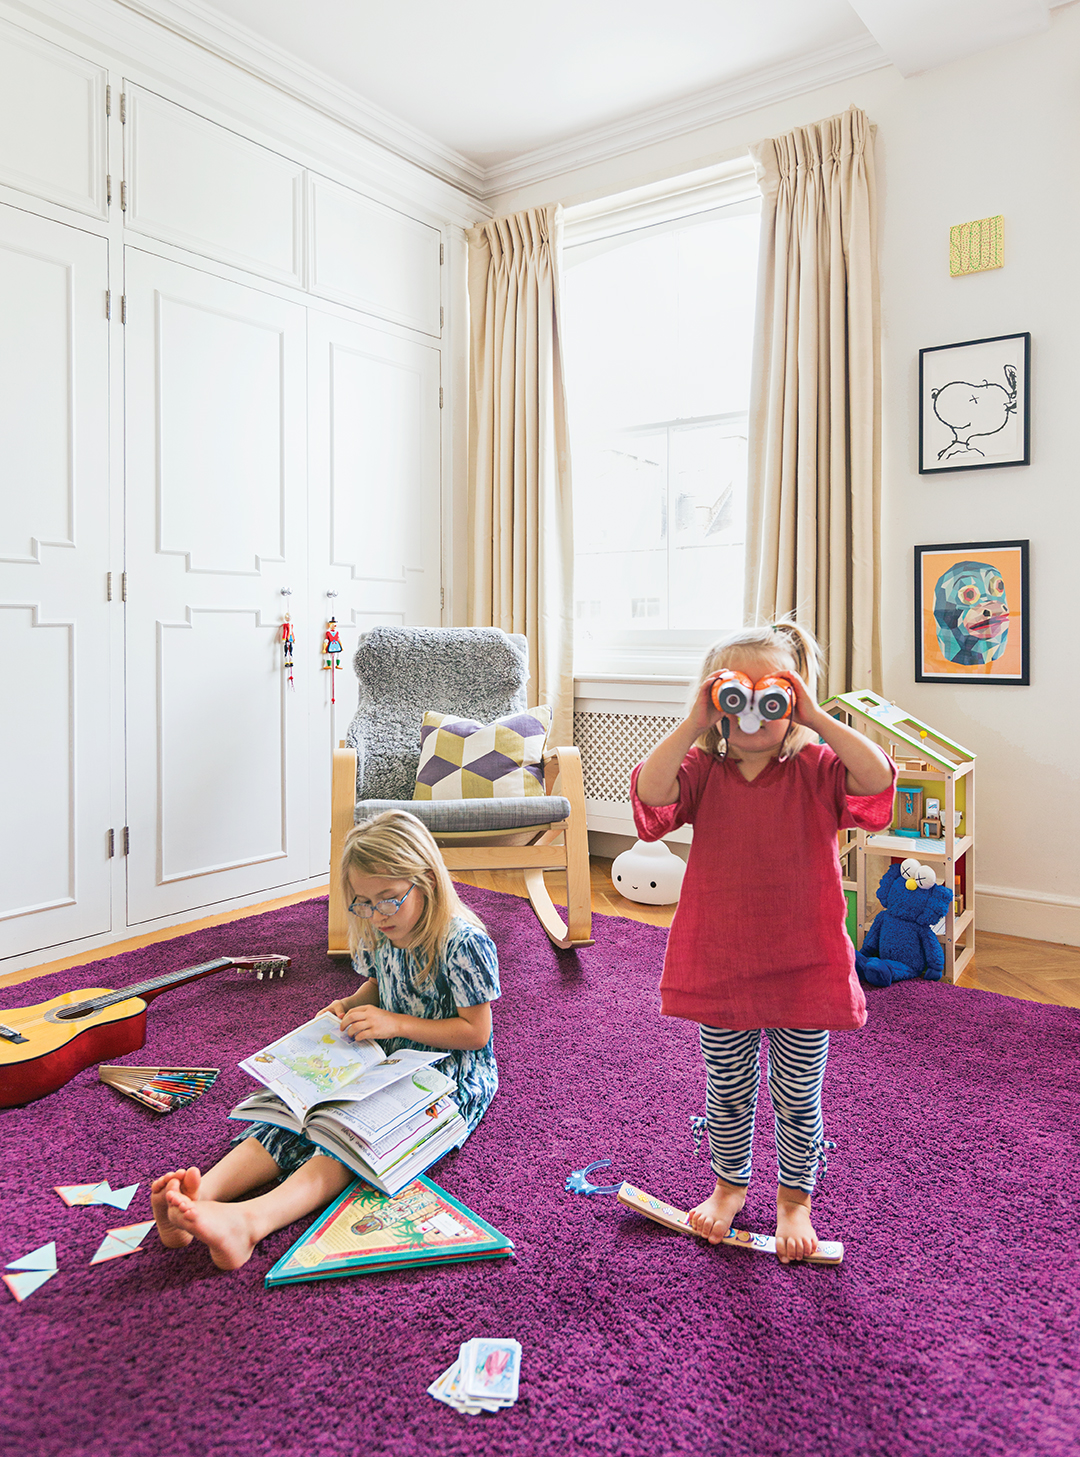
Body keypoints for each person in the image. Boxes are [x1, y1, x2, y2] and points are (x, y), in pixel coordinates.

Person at [631, 622, 895, 1263]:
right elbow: (649, 795)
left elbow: (877, 778)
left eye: (770, 693)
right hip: (722, 958)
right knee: (725, 1087)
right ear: (714, 701)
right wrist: (694, 721)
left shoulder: (817, 767)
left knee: (798, 1092)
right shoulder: (702, 768)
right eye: (733, 693)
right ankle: (728, 1185)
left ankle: (794, 1198)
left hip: (803, 961)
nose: (752, 709)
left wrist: (816, 716)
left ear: (794, 699)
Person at [150, 810, 500, 1270]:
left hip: (448, 1075)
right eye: (363, 903)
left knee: (347, 1139)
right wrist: (351, 1001)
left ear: (427, 881)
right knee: (298, 1113)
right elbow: (378, 984)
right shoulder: (384, 928)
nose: (375, 914)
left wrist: (395, 1023)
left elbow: (475, 1033)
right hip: (383, 1053)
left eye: (388, 900)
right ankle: (201, 1195)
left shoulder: (463, 942)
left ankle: (251, 1221)